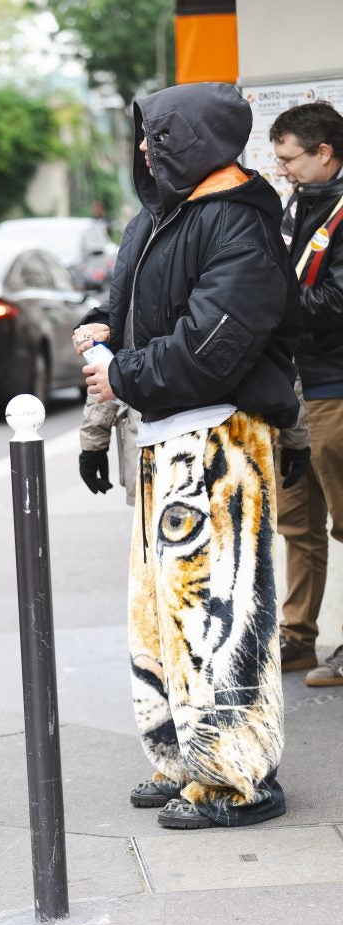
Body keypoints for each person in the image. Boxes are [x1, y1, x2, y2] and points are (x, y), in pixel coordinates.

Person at [73, 81, 302, 830]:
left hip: (220, 443)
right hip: (168, 438)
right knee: (164, 616)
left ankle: (238, 781)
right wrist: (99, 331)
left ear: (192, 139)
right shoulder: (169, 213)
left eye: (156, 134)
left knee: (221, 617)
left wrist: (120, 372)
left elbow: (211, 349)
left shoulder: (240, 225)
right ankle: (185, 763)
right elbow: (137, 309)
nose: (144, 148)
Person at [269, 101, 343, 687]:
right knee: (298, 526)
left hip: (335, 390)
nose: (282, 169)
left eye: (289, 158)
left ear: (324, 152)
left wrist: (270, 306)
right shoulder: (298, 206)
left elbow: (335, 305)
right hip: (294, 392)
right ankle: (297, 638)